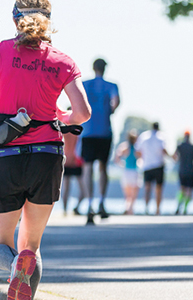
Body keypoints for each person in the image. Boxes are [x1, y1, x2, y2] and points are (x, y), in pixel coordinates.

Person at [0, 1, 91, 299]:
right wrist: (61, 117)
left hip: (6, 156)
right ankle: (23, 268)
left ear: (15, 19)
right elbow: (82, 113)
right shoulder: (63, 60)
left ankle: (14, 267)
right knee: (31, 248)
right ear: (48, 20)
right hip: (47, 157)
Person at [79, 58, 121, 221]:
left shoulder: (84, 84)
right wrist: (109, 111)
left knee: (87, 168)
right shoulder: (112, 85)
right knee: (103, 167)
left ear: (93, 67)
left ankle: (89, 203)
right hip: (104, 130)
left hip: (88, 130)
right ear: (105, 69)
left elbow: (77, 102)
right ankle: (102, 202)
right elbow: (115, 102)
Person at [137, 122, 170, 215]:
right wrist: (171, 157)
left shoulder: (144, 136)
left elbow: (138, 151)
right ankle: (157, 209)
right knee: (158, 188)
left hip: (147, 165)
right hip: (158, 165)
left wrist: (144, 158)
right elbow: (164, 150)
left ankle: (146, 208)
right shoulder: (161, 136)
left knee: (147, 188)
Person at [61, 114, 86, 217]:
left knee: (66, 188)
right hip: (75, 161)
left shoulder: (64, 131)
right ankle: (71, 209)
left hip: (68, 160)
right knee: (82, 189)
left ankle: (66, 210)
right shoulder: (78, 131)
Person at [173, 131, 193, 215]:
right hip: (191, 170)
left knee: (182, 189)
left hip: (182, 170)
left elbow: (174, 156)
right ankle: (185, 208)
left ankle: (178, 206)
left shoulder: (180, 146)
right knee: (189, 190)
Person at [114, 130, 141, 215]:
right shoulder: (137, 148)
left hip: (126, 171)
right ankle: (130, 209)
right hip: (134, 171)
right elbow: (141, 157)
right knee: (133, 193)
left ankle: (128, 207)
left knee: (128, 193)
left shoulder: (125, 147)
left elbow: (117, 156)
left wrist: (121, 164)